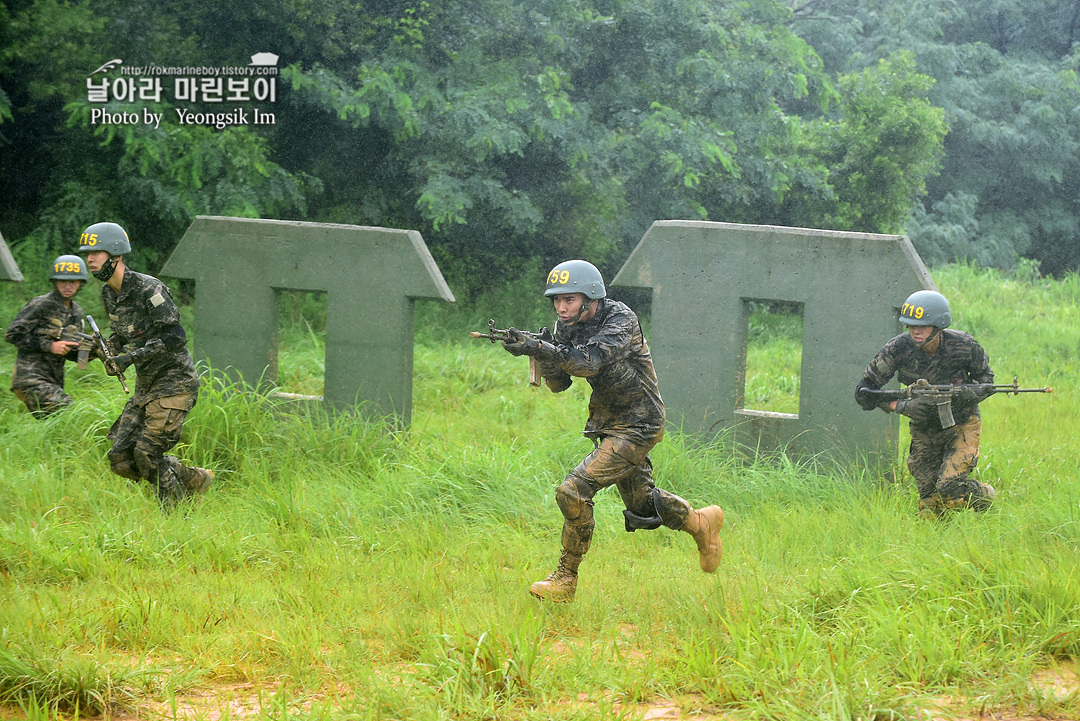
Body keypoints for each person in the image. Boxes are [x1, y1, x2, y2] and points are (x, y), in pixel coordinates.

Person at [502, 260, 724, 603]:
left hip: (639, 423)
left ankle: (565, 578)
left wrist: (542, 348)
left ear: (591, 298)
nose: (561, 308)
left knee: (572, 491)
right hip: (610, 424)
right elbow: (560, 383)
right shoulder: (567, 327)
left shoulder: (621, 320)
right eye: (556, 301)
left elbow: (588, 361)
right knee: (642, 504)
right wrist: (538, 352)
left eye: (569, 300)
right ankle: (701, 523)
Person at [79, 221, 213, 505]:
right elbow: (121, 331)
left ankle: (179, 516)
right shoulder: (108, 293)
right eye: (86, 253)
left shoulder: (149, 288)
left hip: (175, 383)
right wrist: (109, 351)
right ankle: (193, 478)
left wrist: (130, 358)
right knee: (120, 459)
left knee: (147, 454)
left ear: (116, 254)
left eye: (96, 252)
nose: (89, 259)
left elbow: (175, 335)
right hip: (146, 387)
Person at [856, 289, 997, 517]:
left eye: (923, 325)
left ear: (938, 326)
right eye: (911, 325)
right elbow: (865, 392)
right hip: (923, 428)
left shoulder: (964, 345)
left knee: (949, 490)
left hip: (961, 423)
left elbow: (987, 381)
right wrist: (900, 406)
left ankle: (984, 495)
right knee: (929, 504)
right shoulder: (897, 349)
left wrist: (966, 394)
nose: (916, 331)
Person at [4, 255, 94, 417]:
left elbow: (73, 353)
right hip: (31, 379)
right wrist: (49, 345)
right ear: (55, 282)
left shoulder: (76, 312)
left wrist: (94, 350)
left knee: (58, 428)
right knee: (71, 413)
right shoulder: (41, 304)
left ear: (80, 283)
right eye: (62, 281)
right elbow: (13, 334)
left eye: (73, 282)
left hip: (53, 382)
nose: (68, 286)